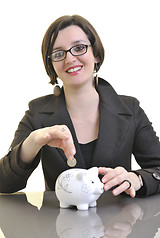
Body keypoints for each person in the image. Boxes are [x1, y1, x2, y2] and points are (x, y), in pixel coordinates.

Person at [0, 15, 160, 197]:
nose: (69, 59)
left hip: (120, 223)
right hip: (59, 224)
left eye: (79, 48)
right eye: (59, 53)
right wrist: (32, 143)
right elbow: (4, 184)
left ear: (96, 54)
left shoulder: (130, 109)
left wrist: (137, 179)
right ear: (52, 65)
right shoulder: (37, 113)